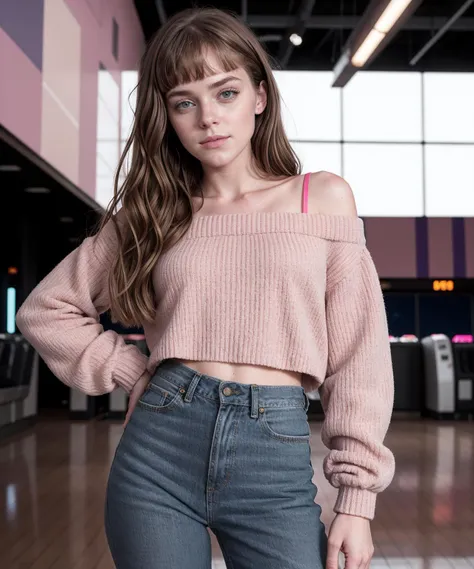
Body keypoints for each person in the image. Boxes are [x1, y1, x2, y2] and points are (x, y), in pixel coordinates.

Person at [16, 7, 395, 569]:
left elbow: (359, 357)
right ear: (167, 116)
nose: (208, 119)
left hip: (276, 455)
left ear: (259, 98)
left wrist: (356, 504)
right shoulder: (155, 215)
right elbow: (46, 310)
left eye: (226, 93)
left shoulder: (321, 199)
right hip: (159, 453)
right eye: (184, 102)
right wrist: (130, 369)